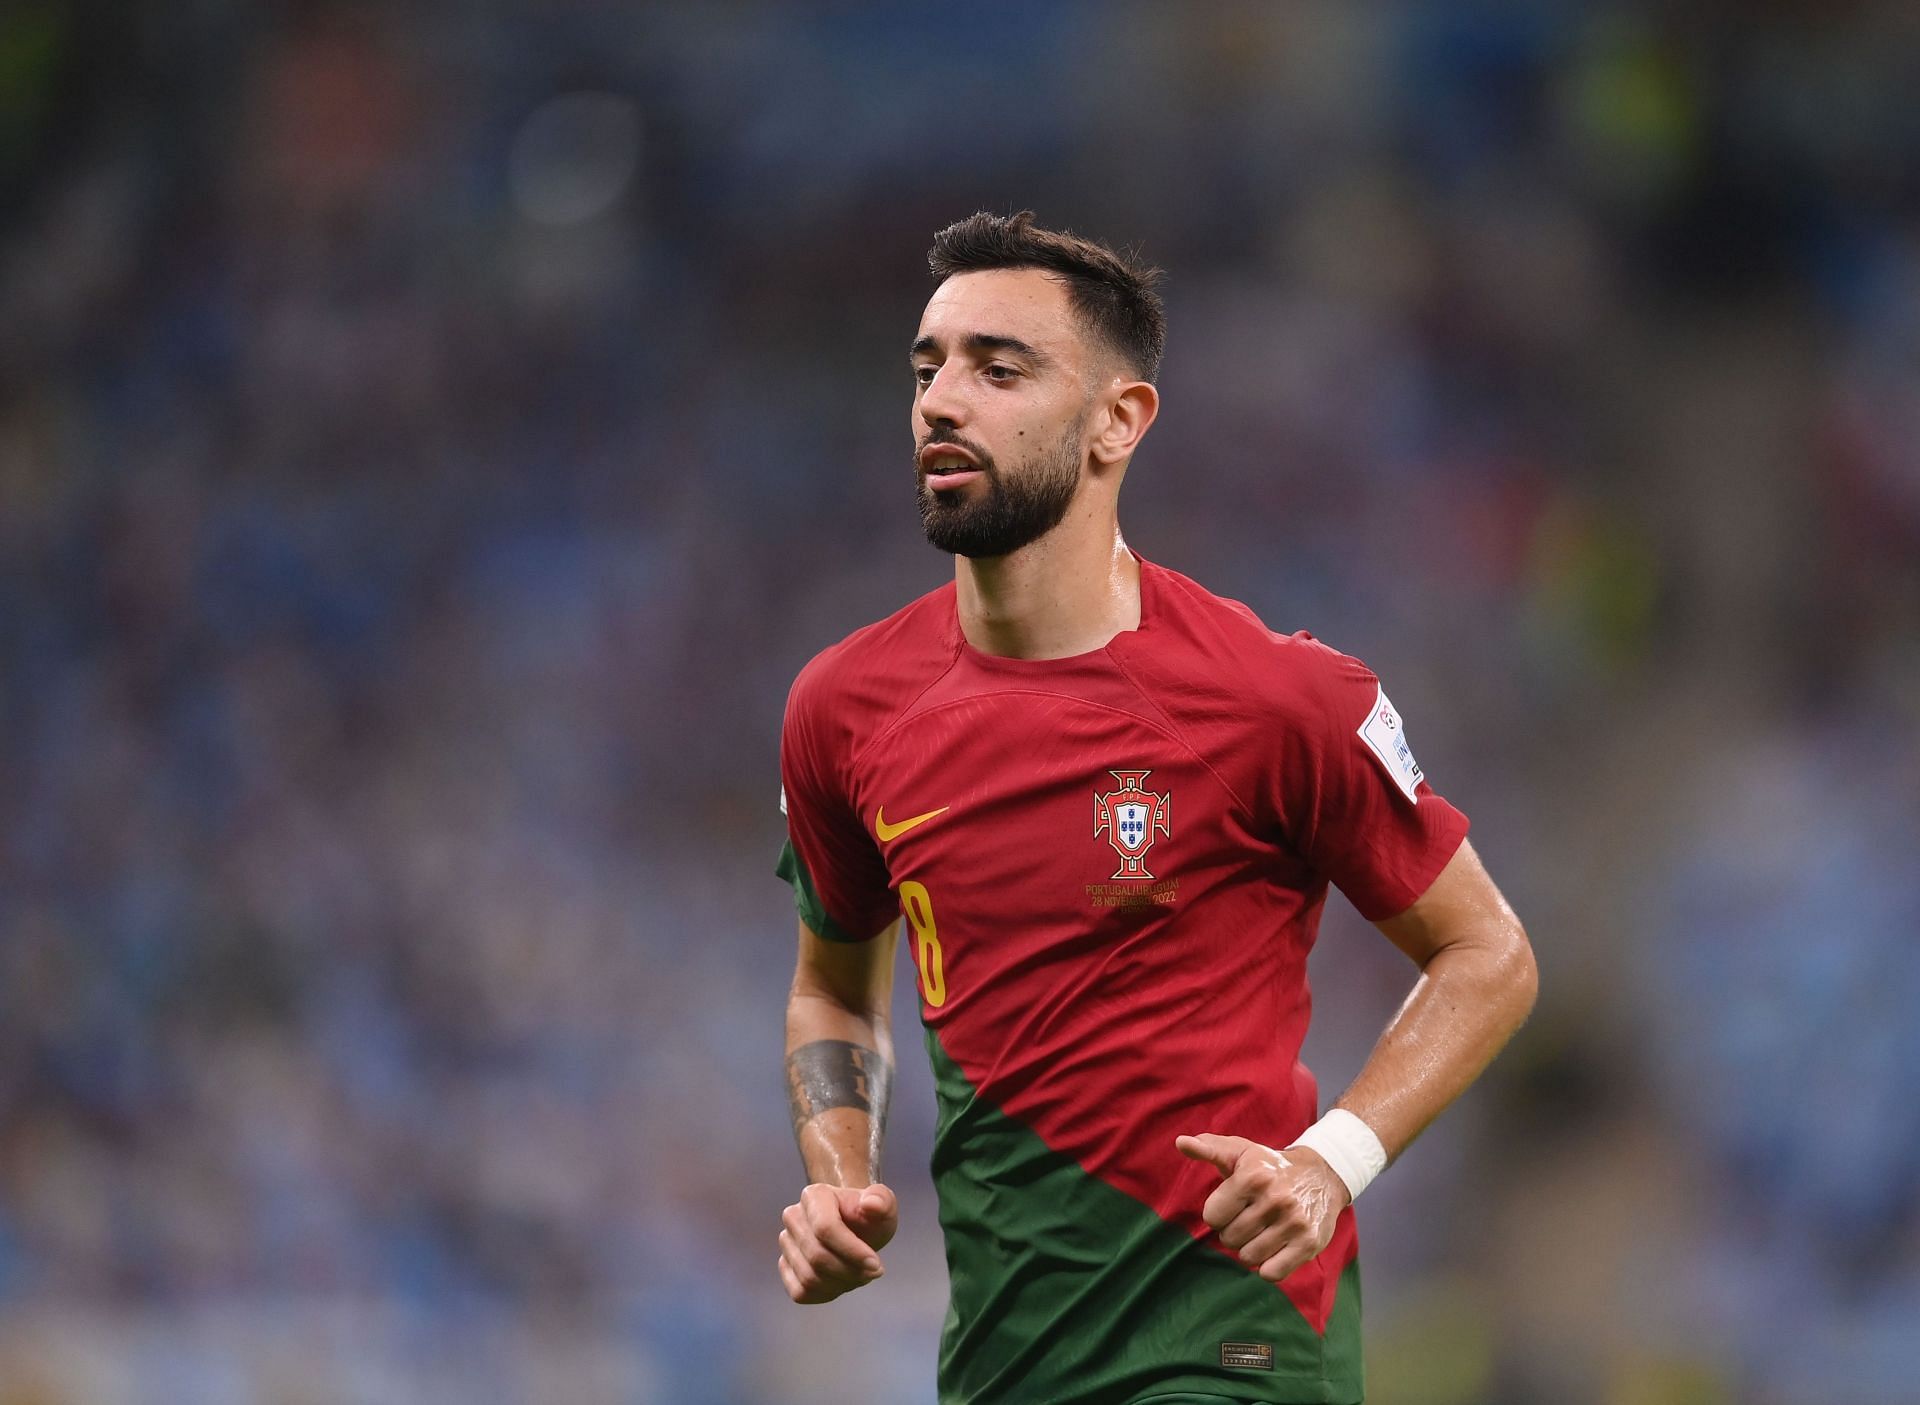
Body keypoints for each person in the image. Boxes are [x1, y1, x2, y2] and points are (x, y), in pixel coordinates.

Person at [775, 210, 1538, 1405]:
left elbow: (1488, 950)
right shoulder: (845, 708)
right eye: (927, 368)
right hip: (1004, 1361)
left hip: (1230, 1340)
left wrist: (1330, 1163)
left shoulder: (1280, 697)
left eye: (998, 367)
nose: (939, 401)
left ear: (1118, 423)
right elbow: (832, 984)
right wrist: (837, 1170)